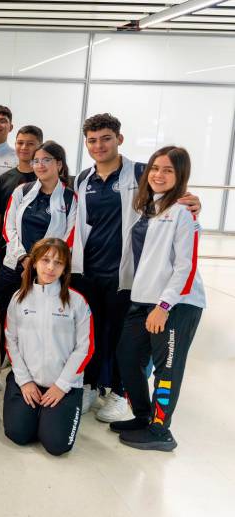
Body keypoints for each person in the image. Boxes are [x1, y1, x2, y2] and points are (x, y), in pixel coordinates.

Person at [72, 113, 201, 421]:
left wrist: (195, 201)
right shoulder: (83, 179)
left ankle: (119, 393)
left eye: (106, 138)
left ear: (119, 138)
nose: (99, 145)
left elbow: (177, 197)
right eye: (92, 140)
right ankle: (91, 385)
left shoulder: (143, 172)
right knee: (92, 334)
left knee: (123, 340)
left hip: (129, 276)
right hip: (91, 270)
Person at [111, 146, 205, 452]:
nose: (159, 175)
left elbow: (185, 267)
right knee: (127, 356)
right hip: (142, 298)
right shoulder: (148, 207)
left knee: (168, 368)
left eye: (168, 170)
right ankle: (143, 416)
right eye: (155, 168)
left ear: (180, 177)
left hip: (176, 304)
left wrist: (164, 307)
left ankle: (161, 430)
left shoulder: (182, 212)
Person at [3, 238, 93, 456]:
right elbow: (10, 341)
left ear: (65, 269)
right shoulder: (18, 298)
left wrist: (62, 385)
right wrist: (24, 381)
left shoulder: (77, 301)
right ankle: (36, 415)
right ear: (34, 263)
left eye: (58, 263)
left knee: (56, 445)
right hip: (28, 382)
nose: (51, 267)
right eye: (45, 260)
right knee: (19, 435)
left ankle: (49, 418)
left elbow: (85, 348)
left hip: (63, 385)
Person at [0, 140, 77, 328]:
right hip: (15, 266)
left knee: (37, 323)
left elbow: (69, 237)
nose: (39, 165)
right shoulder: (21, 191)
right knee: (4, 319)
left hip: (47, 271)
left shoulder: (69, 198)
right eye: (36, 161)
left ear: (59, 164)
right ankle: (5, 357)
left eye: (46, 160)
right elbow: (9, 229)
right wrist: (24, 258)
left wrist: (41, 262)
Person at [0, 125, 42, 279]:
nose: (24, 147)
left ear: (40, 146)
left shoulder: (44, 180)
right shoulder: (5, 179)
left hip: (37, 253)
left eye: (30, 143)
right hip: (6, 251)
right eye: (20, 142)